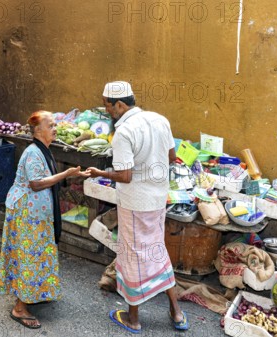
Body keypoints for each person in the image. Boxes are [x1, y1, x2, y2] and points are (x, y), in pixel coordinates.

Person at [86, 81, 189, 334]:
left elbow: (125, 176)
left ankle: (133, 318)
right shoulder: (159, 119)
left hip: (134, 204)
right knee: (156, 250)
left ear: (120, 104)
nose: (107, 112)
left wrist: (100, 172)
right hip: (156, 201)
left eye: (107, 107)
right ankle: (176, 312)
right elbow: (171, 157)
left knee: (132, 255)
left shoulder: (124, 131)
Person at [0, 111, 90, 329]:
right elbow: (36, 183)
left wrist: (70, 175)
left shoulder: (44, 150)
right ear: (38, 131)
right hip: (27, 214)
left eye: (55, 124)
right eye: (51, 125)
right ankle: (20, 308)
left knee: (39, 254)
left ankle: (36, 291)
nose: (55, 128)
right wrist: (66, 174)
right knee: (29, 256)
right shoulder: (32, 153)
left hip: (36, 215)